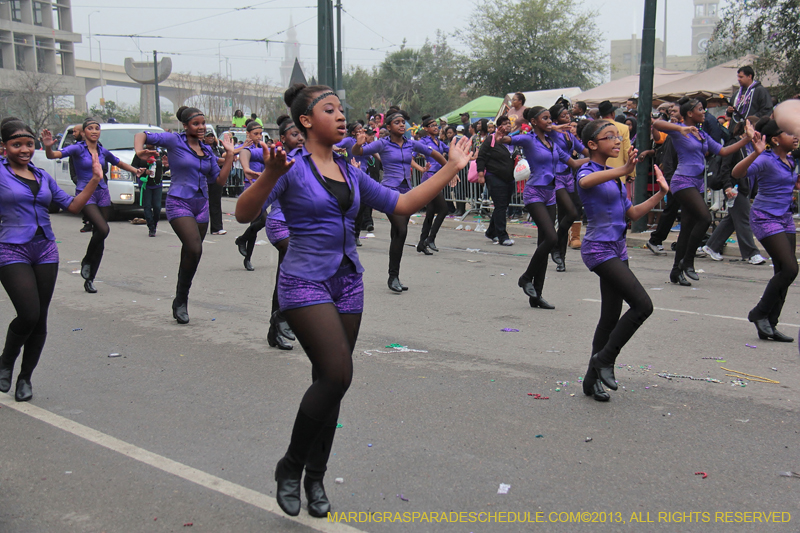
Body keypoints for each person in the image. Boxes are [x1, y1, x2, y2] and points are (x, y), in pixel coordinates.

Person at [234, 83, 471, 518]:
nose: (341, 116)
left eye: (341, 109)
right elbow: (244, 214)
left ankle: (316, 476)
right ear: (306, 121)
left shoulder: (348, 167)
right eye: (330, 110)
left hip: (348, 283)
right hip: (304, 281)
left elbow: (401, 204)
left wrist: (452, 167)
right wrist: (269, 173)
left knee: (332, 382)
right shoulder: (290, 166)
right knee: (339, 372)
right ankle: (290, 466)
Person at [0, 117, 103, 401]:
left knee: (41, 318)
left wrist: (95, 180)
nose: (24, 149)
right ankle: (6, 361)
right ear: (4, 147)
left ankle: (25, 378)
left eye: (28, 144)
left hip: (44, 249)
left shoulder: (42, 176)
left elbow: (72, 206)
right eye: (16, 144)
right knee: (28, 313)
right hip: (10, 249)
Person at [576, 119, 668, 401]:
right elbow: (585, 182)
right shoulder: (589, 170)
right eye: (609, 137)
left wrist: (661, 193)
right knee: (643, 305)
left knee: (610, 317)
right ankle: (604, 360)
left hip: (618, 249)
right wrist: (625, 169)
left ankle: (591, 381)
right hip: (598, 250)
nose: (617, 141)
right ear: (592, 144)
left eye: (618, 136)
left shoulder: (613, 177)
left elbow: (633, 214)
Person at [134, 106, 234, 324]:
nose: (201, 127)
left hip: (202, 205)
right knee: (194, 246)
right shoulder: (173, 141)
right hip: (179, 202)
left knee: (193, 254)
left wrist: (230, 156)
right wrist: (139, 150)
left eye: (203, 123)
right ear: (186, 125)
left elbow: (219, 181)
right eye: (196, 124)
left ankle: (180, 298)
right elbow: (142, 135)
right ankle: (181, 300)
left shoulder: (208, 151)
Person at [653, 99, 754, 285]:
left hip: (698, 183)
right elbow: (657, 124)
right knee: (705, 218)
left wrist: (747, 139)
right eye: (700, 109)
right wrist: (678, 128)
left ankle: (676, 271)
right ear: (690, 113)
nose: (704, 111)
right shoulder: (679, 130)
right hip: (682, 181)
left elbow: (723, 151)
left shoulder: (702, 134)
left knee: (687, 229)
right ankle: (688, 261)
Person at [42, 118, 145, 293]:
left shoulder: (102, 150)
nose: (94, 131)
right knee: (103, 229)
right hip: (85, 193)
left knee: (100, 236)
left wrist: (136, 170)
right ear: (84, 132)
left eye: (97, 128)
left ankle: (90, 278)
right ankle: (87, 260)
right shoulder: (76, 149)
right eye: (90, 128)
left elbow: (118, 162)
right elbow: (52, 156)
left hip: (102, 192)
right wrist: (48, 147)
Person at [500, 106, 587, 308]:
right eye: (545, 118)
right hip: (534, 194)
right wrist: (501, 134)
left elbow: (573, 163)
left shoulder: (552, 144)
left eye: (550, 118)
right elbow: (505, 141)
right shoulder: (528, 139)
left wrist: (602, 160)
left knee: (544, 244)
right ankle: (526, 277)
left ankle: (536, 296)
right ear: (534, 122)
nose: (550, 121)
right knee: (552, 238)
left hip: (550, 195)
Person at [353, 108, 447, 292]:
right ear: (388, 126)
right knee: (401, 230)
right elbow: (359, 151)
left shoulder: (412, 144)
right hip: (388, 191)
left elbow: (434, 154)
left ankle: (393, 276)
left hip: (407, 192)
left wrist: (451, 169)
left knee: (398, 233)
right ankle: (393, 276)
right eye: (397, 122)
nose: (402, 125)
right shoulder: (382, 144)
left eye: (403, 122)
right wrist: (358, 144)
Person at [732, 118, 799, 342]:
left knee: (782, 271)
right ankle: (759, 313)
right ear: (776, 139)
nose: (795, 137)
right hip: (764, 217)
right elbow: (737, 173)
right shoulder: (766, 160)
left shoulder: (790, 160)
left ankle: (770, 324)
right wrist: (756, 153)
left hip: (786, 219)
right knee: (790, 269)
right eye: (790, 134)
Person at [263, 114, 305, 350]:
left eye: (301, 133)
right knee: (298, 262)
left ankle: (274, 329)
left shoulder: (310, 160)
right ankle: (282, 317)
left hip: (300, 226)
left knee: (283, 277)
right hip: (279, 223)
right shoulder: (280, 161)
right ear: (283, 138)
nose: (299, 138)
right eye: (294, 134)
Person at [702, 119, 765, 264]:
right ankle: (751, 253)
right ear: (746, 128)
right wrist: (728, 186)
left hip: (744, 187)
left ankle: (711, 246)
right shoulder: (735, 143)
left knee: (731, 219)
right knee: (743, 219)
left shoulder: (752, 145)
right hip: (735, 188)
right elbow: (725, 167)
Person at [548, 102, 589, 272]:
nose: (568, 118)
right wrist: (554, 127)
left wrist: (599, 154)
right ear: (556, 118)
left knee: (571, 213)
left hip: (568, 178)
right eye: (564, 115)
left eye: (568, 115)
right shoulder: (550, 133)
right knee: (571, 212)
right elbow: (542, 128)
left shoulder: (570, 136)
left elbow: (585, 151)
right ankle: (555, 244)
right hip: (555, 177)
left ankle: (560, 258)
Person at [415, 116, 455, 253]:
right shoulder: (423, 141)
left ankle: (422, 243)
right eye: (432, 125)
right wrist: (421, 169)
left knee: (431, 212)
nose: (435, 127)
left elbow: (450, 151)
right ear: (425, 129)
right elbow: (410, 155)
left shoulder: (439, 142)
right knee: (443, 209)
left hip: (438, 177)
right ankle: (430, 239)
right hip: (430, 177)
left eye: (436, 125)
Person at [235, 121, 271, 271]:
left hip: (264, 189)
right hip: (251, 188)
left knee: (258, 223)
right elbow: (231, 153)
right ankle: (247, 255)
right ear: (248, 134)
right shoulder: (246, 149)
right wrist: (246, 168)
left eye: (260, 134)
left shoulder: (263, 149)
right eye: (255, 134)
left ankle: (243, 242)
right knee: (262, 221)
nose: (258, 136)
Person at [476, 115, 515, 246]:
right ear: (499, 126)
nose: (507, 125)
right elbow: (481, 157)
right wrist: (481, 175)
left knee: (503, 206)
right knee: (500, 206)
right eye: (504, 124)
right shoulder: (491, 139)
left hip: (509, 178)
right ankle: (502, 236)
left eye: (509, 123)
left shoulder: (511, 141)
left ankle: (491, 232)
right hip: (494, 177)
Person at [131, 145, 167, 237]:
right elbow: (133, 167)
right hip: (145, 184)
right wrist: (144, 171)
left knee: (157, 207)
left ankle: (154, 224)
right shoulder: (141, 154)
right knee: (147, 206)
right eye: (148, 142)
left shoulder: (160, 153)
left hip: (157, 184)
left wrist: (166, 165)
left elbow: (165, 167)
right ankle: (151, 227)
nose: (150, 144)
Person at [203, 131, 227, 235]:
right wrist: (227, 159)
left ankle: (216, 228)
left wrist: (230, 157)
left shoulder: (217, 149)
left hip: (216, 179)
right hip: (204, 179)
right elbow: (216, 160)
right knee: (203, 204)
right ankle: (199, 226)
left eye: (212, 136)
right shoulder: (202, 148)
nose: (210, 138)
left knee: (216, 203)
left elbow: (222, 158)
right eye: (208, 136)